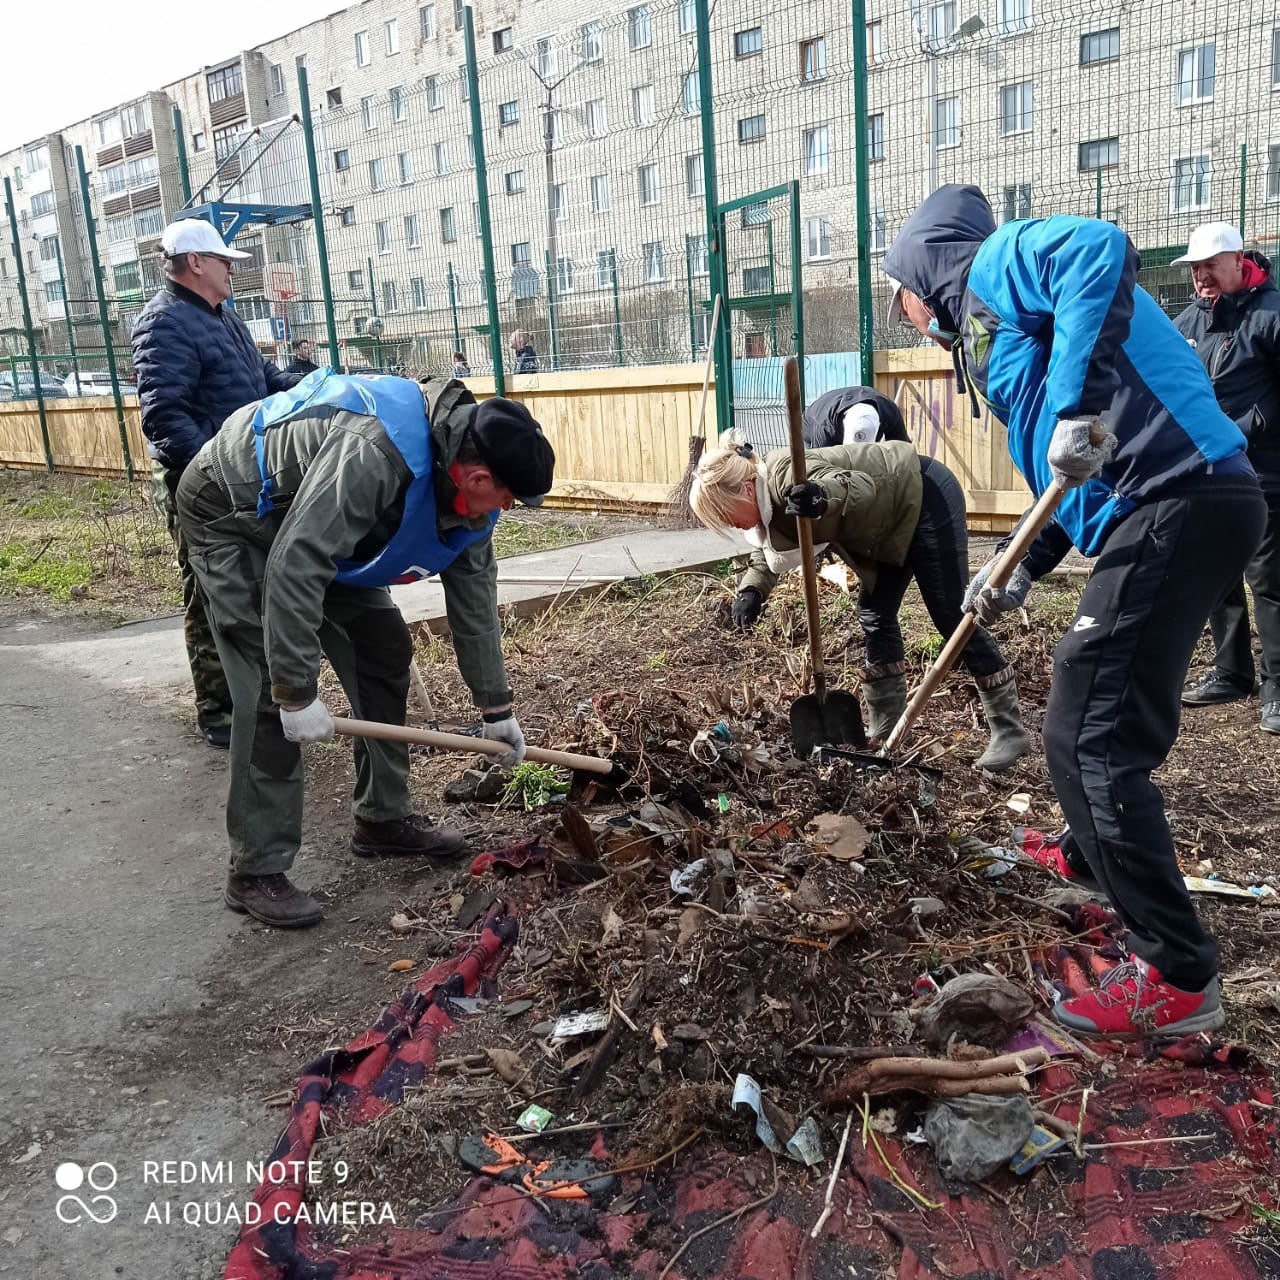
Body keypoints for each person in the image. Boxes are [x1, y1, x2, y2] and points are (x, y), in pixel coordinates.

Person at [883, 184, 1264, 1037]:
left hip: (1181, 495)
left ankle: (1177, 973)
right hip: (1173, 503)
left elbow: (1098, 247)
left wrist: (1077, 406)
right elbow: (1073, 477)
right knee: (1096, 707)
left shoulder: (991, 263)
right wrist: (1021, 565)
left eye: (896, 290)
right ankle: (1090, 859)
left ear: (920, 270)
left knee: (1086, 730)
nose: (901, 310)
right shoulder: (998, 325)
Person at [175, 371, 555, 928]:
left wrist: (496, 709)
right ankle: (255, 869)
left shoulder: (473, 505)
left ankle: (382, 815)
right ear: (476, 476)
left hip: (308, 521)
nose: (508, 508)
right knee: (264, 693)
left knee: (381, 649)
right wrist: (296, 690)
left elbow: (473, 604)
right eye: (509, 497)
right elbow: (296, 564)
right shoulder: (376, 453)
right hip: (232, 511)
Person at [688, 433, 1031, 772]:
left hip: (922, 495)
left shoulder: (786, 474)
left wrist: (821, 496)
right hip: (887, 525)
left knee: (950, 615)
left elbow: (859, 486)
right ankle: (887, 727)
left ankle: (1008, 730)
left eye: (724, 513)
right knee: (874, 611)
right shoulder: (766, 506)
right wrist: (752, 591)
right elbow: (769, 550)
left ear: (745, 489)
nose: (728, 523)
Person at [131, 219, 299, 749]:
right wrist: (214, 470)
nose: (232, 270)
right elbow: (164, 414)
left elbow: (263, 383)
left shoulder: (224, 319)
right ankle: (220, 711)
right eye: (224, 261)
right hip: (200, 483)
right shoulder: (164, 323)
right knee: (210, 591)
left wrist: (313, 384)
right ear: (196, 263)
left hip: (246, 476)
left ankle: (253, 697)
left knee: (247, 588)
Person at [1172, 222, 1280, 734]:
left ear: (1239, 261)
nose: (1201, 276)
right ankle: (1232, 672)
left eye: (1210, 265)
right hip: (1206, 471)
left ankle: (1277, 688)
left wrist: (1249, 426)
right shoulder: (1188, 321)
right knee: (1216, 574)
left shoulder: (1272, 315)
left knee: (1269, 581)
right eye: (1194, 268)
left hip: (1264, 471)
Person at [802, 385, 911, 449]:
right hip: (809, 427)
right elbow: (819, 463)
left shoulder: (890, 412)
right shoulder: (825, 426)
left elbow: (904, 451)